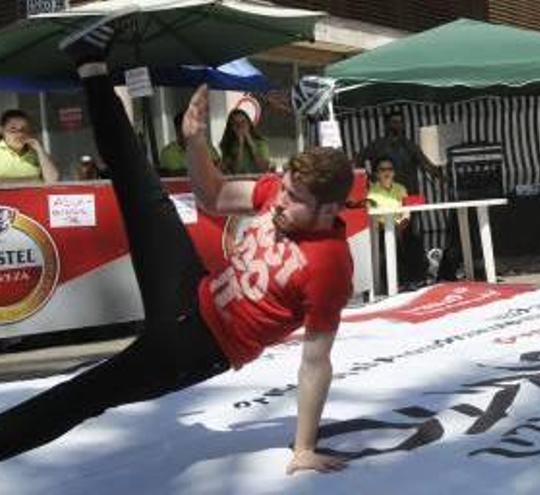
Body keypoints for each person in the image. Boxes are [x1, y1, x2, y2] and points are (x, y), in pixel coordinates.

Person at [0, 12, 354, 475]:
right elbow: (214, 195)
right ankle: (89, 63)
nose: (280, 201)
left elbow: (316, 363)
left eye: (296, 199)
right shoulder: (277, 192)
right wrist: (194, 142)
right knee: (144, 192)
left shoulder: (329, 265)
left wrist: (303, 447)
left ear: (330, 210)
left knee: (85, 394)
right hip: (191, 290)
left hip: (198, 349)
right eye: (283, 188)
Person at [367, 157, 427, 290]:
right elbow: (374, 217)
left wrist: (401, 223)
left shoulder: (400, 188)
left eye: (390, 169)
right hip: (382, 229)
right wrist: (391, 227)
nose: (386, 172)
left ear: (394, 172)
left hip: (401, 226)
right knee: (388, 242)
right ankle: (395, 283)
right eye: (383, 170)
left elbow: (406, 210)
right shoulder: (372, 192)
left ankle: (416, 280)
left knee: (414, 240)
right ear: (377, 173)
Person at [357, 111, 442, 195]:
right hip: (384, 193)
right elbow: (358, 161)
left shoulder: (409, 145)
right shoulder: (377, 145)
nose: (398, 125)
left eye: (401, 122)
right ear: (387, 125)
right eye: (395, 122)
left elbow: (425, 164)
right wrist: (369, 177)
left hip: (408, 191)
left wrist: (439, 175)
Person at [0, 109, 59, 183]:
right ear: (2, 130)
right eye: (13, 129)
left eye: (24, 129)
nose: (20, 134)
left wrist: (39, 149)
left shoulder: (36, 153)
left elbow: (53, 180)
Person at [159, 111, 220, 177]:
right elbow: (166, 174)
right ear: (177, 131)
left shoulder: (207, 148)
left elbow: (218, 169)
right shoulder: (167, 153)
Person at [219, 108, 271, 175]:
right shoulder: (229, 145)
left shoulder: (261, 143)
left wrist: (251, 144)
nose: (240, 126)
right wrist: (241, 144)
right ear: (231, 127)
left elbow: (264, 168)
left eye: (243, 122)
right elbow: (235, 171)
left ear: (249, 123)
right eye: (236, 124)